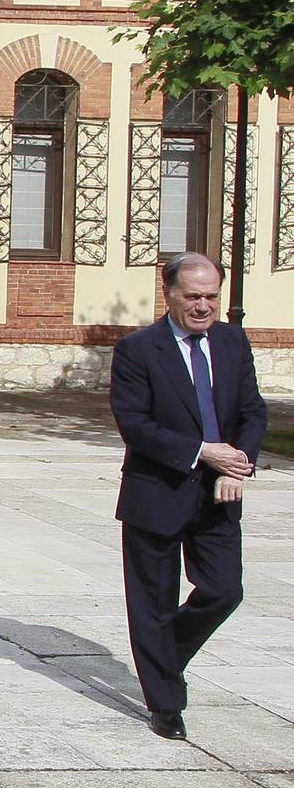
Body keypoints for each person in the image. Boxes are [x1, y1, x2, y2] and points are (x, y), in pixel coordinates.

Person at [109, 252, 265, 740]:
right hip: (158, 491)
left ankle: (161, 655)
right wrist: (203, 453)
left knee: (224, 590)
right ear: (170, 294)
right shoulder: (138, 349)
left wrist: (237, 462)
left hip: (220, 493)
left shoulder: (233, 342)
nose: (204, 306)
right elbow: (135, 424)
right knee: (152, 601)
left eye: (212, 297)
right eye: (193, 296)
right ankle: (165, 703)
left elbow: (252, 411)